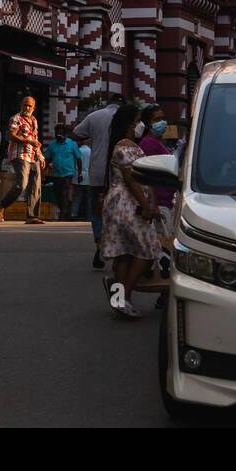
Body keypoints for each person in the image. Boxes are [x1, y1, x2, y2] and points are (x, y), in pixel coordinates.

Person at [99, 103, 161, 320]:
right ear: (129, 124)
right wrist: (145, 204)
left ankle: (120, 301)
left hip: (121, 203)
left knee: (123, 253)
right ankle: (124, 295)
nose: (139, 125)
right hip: (128, 204)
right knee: (147, 249)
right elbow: (132, 180)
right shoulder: (125, 147)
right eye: (137, 121)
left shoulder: (127, 145)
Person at [72, 94, 121, 267]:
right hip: (120, 173)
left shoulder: (95, 116)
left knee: (98, 211)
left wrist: (93, 136)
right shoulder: (126, 117)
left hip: (97, 173)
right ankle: (118, 250)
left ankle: (100, 246)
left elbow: (76, 133)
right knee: (118, 212)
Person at [0, 95, 45, 224]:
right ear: (21, 105)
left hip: (33, 156)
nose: (27, 107)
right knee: (21, 184)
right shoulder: (16, 119)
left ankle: (32, 216)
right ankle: (1, 205)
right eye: (25, 105)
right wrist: (27, 141)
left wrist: (40, 156)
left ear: (34, 108)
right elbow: (11, 135)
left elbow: (35, 141)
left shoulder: (34, 120)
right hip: (20, 155)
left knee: (36, 186)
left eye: (29, 106)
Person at [138, 104, 176, 239]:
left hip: (166, 200)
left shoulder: (157, 142)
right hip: (159, 202)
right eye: (156, 119)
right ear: (148, 124)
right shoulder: (149, 143)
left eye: (163, 118)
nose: (161, 122)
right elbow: (149, 175)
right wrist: (153, 204)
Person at [45, 123, 82, 221]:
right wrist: (43, 171)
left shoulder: (72, 144)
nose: (58, 134)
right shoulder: (52, 145)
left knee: (64, 193)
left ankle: (62, 216)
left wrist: (80, 173)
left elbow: (78, 159)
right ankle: (66, 213)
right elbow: (47, 159)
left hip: (68, 174)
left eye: (60, 132)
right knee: (57, 194)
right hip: (56, 174)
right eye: (57, 132)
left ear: (64, 134)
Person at [72, 143, 91, 221]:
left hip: (78, 177)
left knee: (77, 197)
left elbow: (74, 164)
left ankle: (74, 214)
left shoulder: (78, 150)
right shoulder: (91, 151)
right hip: (88, 177)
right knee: (88, 198)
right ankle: (89, 216)